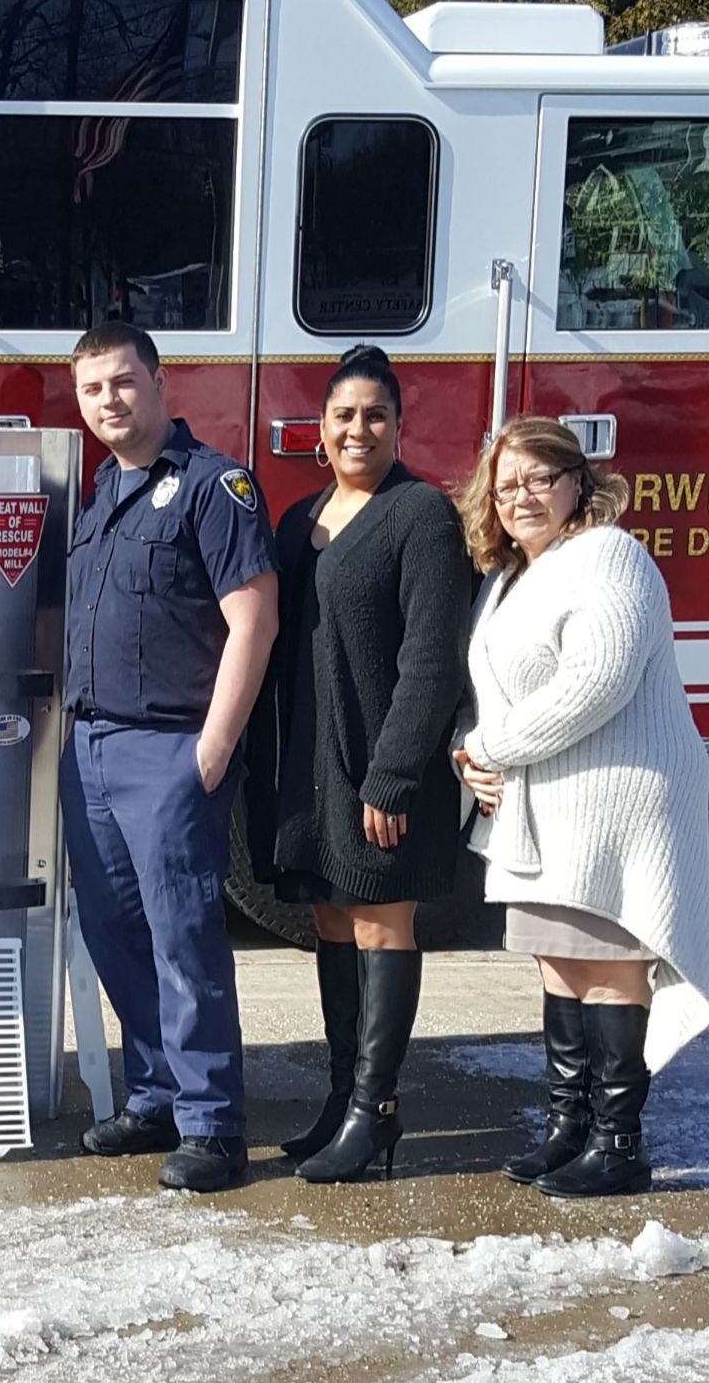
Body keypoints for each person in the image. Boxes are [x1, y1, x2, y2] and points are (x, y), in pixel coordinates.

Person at [453, 417, 709, 1198]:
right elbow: (499, 697)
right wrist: (472, 755)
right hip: (546, 807)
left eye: (539, 478)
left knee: (610, 967)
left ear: (578, 482)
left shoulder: (609, 556)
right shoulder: (513, 575)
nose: (521, 497)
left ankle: (618, 1145)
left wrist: (491, 749)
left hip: (616, 806)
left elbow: (595, 683)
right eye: (506, 485)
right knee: (558, 964)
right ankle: (567, 1128)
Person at [244, 345, 473, 1184]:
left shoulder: (420, 517)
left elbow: (431, 660)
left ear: (399, 426)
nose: (357, 429)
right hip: (310, 763)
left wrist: (395, 774)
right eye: (343, 414)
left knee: (382, 923)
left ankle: (376, 1113)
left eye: (374, 414)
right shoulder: (299, 517)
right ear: (320, 427)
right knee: (331, 924)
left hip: (378, 766)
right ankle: (341, 1102)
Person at [61, 321, 279, 1193]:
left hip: (168, 751)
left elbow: (252, 620)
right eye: (91, 390)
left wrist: (211, 752)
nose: (108, 401)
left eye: (121, 382)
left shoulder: (211, 486)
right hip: (91, 748)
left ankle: (213, 1124)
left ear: (157, 382)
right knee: (114, 934)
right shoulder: (98, 496)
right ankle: (154, 1093)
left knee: (184, 941)